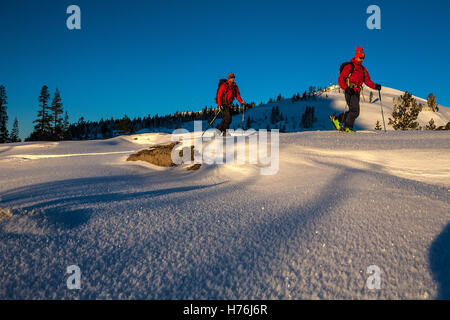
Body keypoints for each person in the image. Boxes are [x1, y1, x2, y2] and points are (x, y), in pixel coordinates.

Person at [332, 46, 381, 132]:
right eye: (360, 57)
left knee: (353, 111)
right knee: (355, 111)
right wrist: (346, 88)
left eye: (363, 58)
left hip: (357, 92)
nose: (362, 59)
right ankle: (348, 127)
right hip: (350, 90)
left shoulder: (363, 69)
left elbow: (367, 80)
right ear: (356, 56)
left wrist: (375, 86)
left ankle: (337, 119)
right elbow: (340, 79)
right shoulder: (350, 66)